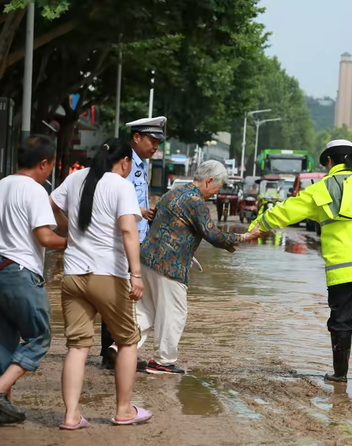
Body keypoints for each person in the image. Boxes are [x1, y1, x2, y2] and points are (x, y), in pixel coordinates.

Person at [249, 140, 352, 386]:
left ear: (328, 161)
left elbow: (286, 211)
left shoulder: (320, 190)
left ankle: (340, 374)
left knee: (342, 321)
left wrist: (257, 227)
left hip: (342, 271)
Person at [50, 138, 152, 429]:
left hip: (73, 274)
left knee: (77, 346)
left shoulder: (75, 178)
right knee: (128, 341)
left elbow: (52, 204)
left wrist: (69, 231)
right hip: (109, 274)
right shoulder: (122, 186)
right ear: (124, 162)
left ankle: (71, 416)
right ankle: (123, 410)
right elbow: (128, 231)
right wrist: (136, 274)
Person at [137, 160, 263, 374]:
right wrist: (245, 236)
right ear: (209, 180)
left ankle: (121, 347)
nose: (216, 192)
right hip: (170, 266)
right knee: (174, 314)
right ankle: (162, 362)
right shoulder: (196, 202)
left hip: (147, 259)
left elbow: (156, 221)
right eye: (218, 186)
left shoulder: (171, 193)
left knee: (145, 310)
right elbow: (213, 234)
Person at [0, 135, 67, 425]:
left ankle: (5, 406)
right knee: (39, 336)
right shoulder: (36, 190)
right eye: (51, 166)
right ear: (43, 164)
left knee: (4, 342)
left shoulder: (2, 185)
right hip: (21, 272)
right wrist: (73, 242)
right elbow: (44, 237)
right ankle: (0, 391)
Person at [100, 116, 166, 370]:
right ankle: (112, 353)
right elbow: (115, 199)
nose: (155, 147)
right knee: (118, 298)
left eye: (158, 142)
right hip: (123, 241)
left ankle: (116, 350)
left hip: (136, 240)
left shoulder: (140, 165)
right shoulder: (124, 164)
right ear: (136, 137)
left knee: (125, 299)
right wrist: (140, 210)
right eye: (152, 140)